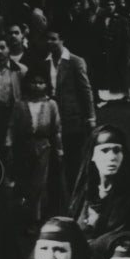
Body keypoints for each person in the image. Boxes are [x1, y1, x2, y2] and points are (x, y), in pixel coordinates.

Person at [69, 125, 130, 247]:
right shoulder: (83, 195)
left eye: (117, 150)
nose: (112, 157)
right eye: (104, 150)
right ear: (92, 156)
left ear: (123, 155)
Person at [5, 71, 64, 227]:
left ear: (46, 85)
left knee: (39, 184)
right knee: (23, 182)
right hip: (23, 147)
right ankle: (22, 217)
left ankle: (35, 219)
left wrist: (59, 149)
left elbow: (56, 129)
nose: (37, 86)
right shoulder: (20, 104)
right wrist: (9, 145)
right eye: (33, 82)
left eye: (41, 83)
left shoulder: (51, 105)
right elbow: (12, 126)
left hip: (43, 146)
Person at [45, 29, 96, 195]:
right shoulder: (46, 62)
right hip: (52, 118)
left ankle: (78, 194)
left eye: (53, 39)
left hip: (72, 118)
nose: (50, 42)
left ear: (62, 40)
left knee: (73, 158)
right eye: (48, 39)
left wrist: (90, 116)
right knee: (55, 158)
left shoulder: (75, 61)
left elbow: (85, 89)